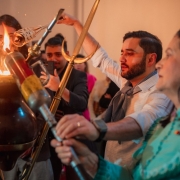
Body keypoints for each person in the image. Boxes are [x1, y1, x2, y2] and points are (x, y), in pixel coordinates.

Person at [50, 13, 173, 172]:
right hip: (109, 170)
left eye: (129, 53)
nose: (122, 59)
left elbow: (143, 121)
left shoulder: (161, 92)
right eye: (122, 52)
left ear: (151, 59)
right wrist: (76, 25)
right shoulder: (128, 83)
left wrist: (97, 129)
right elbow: (100, 57)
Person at [0, 15, 54, 180]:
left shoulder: (35, 67)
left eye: (11, 37)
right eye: (0, 37)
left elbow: (45, 108)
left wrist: (31, 136)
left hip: (34, 152)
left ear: (21, 39)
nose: (5, 43)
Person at [41, 33, 96, 180]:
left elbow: (81, 103)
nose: (53, 59)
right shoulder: (41, 75)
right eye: (49, 54)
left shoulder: (78, 76)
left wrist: (59, 88)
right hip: (49, 139)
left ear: (67, 54)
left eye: (58, 54)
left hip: (74, 137)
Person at [74, 54, 97, 120]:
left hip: (86, 110)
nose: (78, 65)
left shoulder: (91, 77)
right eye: (76, 63)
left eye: (80, 62)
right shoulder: (71, 78)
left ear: (85, 65)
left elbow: (94, 98)